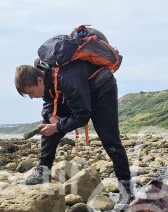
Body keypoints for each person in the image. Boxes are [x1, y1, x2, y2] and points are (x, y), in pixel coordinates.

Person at [14, 60, 133, 202]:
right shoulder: (48, 78)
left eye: (31, 92)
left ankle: (126, 191)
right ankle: (43, 173)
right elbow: (48, 104)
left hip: (102, 90)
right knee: (48, 127)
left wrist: (58, 127)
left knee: (110, 140)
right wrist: (51, 117)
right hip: (76, 94)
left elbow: (82, 116)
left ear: (39, 80)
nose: (32, 97)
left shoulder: (67, 79)